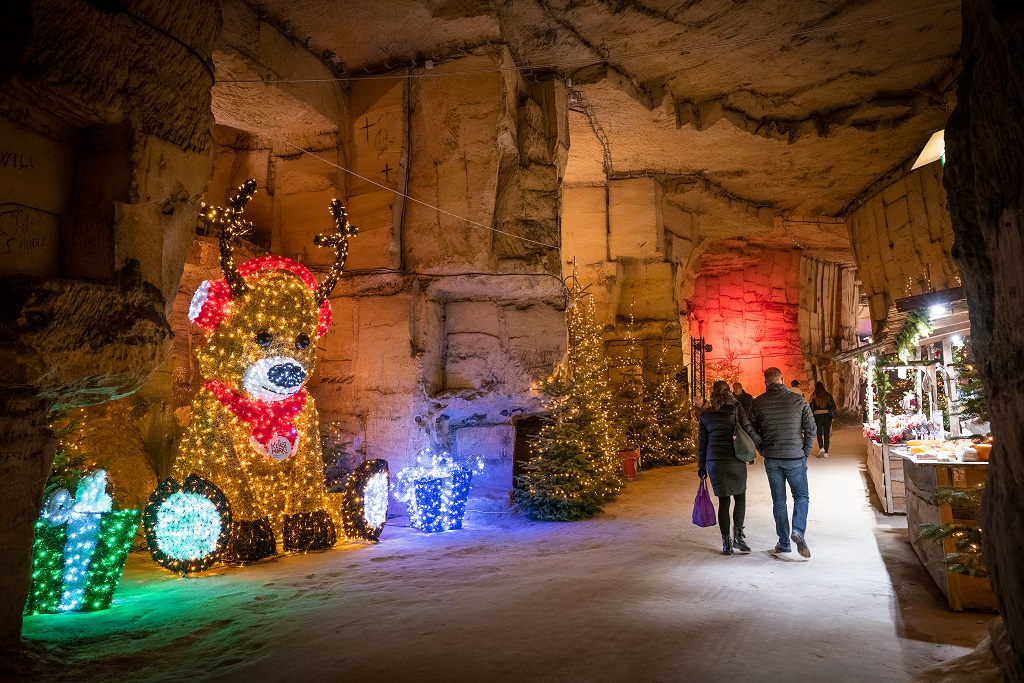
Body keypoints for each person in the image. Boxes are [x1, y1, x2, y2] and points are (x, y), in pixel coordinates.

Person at [749, 368, 816, 558]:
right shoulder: (798, 400)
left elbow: (749, 427)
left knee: (779, 501)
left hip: (772, 458)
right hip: (795, 456)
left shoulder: (758, 402)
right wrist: (804, 452)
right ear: (782, 380)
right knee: (801, 496)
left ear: (765, 383)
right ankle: (798, 531)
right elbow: (811, 428)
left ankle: (784, 542)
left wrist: (761, 447)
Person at [698, 380, 761, 556]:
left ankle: (726, 542)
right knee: (740, 497)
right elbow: (747, 429)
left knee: (724, 502)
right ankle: (738, 537)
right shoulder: (736, 409)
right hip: (735, 458)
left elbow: (702, 442)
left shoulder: (706, 414)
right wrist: (759, 447)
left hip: (715, 461)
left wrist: (701, 466)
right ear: (729, 393)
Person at [809, 381, 838, 458]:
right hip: (827, 415)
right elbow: (833, 405)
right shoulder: (828, 395)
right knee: (826, 433)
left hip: (817, 416)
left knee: (819, 433)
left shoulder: (814, 395)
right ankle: (826, 452)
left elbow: (811, 407)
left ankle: (821, 447)